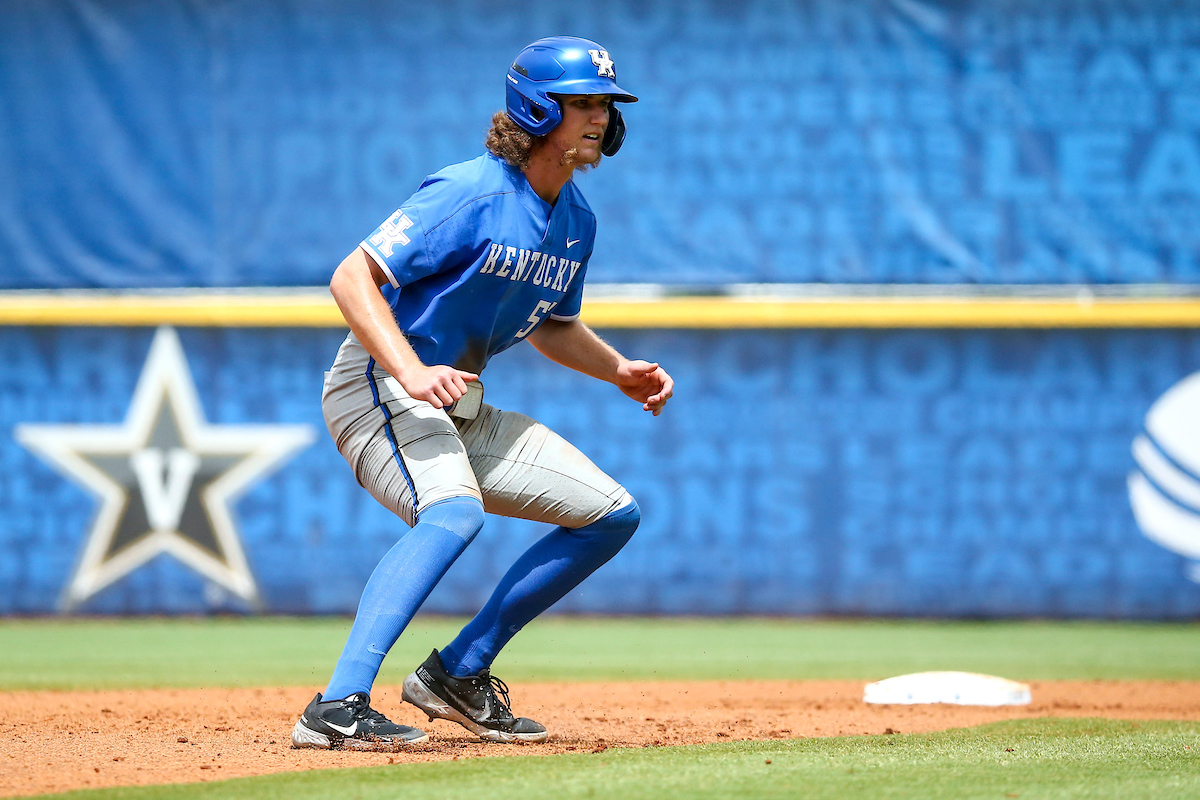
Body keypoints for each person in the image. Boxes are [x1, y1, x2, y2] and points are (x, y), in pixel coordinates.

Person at [291, 36, 673, 750]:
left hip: (452, 404)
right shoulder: (469, 191)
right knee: (453, 514)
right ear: (535, 108)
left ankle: (457, 674)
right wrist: (408, 370)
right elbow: (351, 277)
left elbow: (552, 326)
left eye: (606, 106)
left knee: (610, 515)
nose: (599, 118)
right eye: (582, 103)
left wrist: (618, 369)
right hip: (379, 387)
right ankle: (336, 705)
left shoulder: (575, 221)